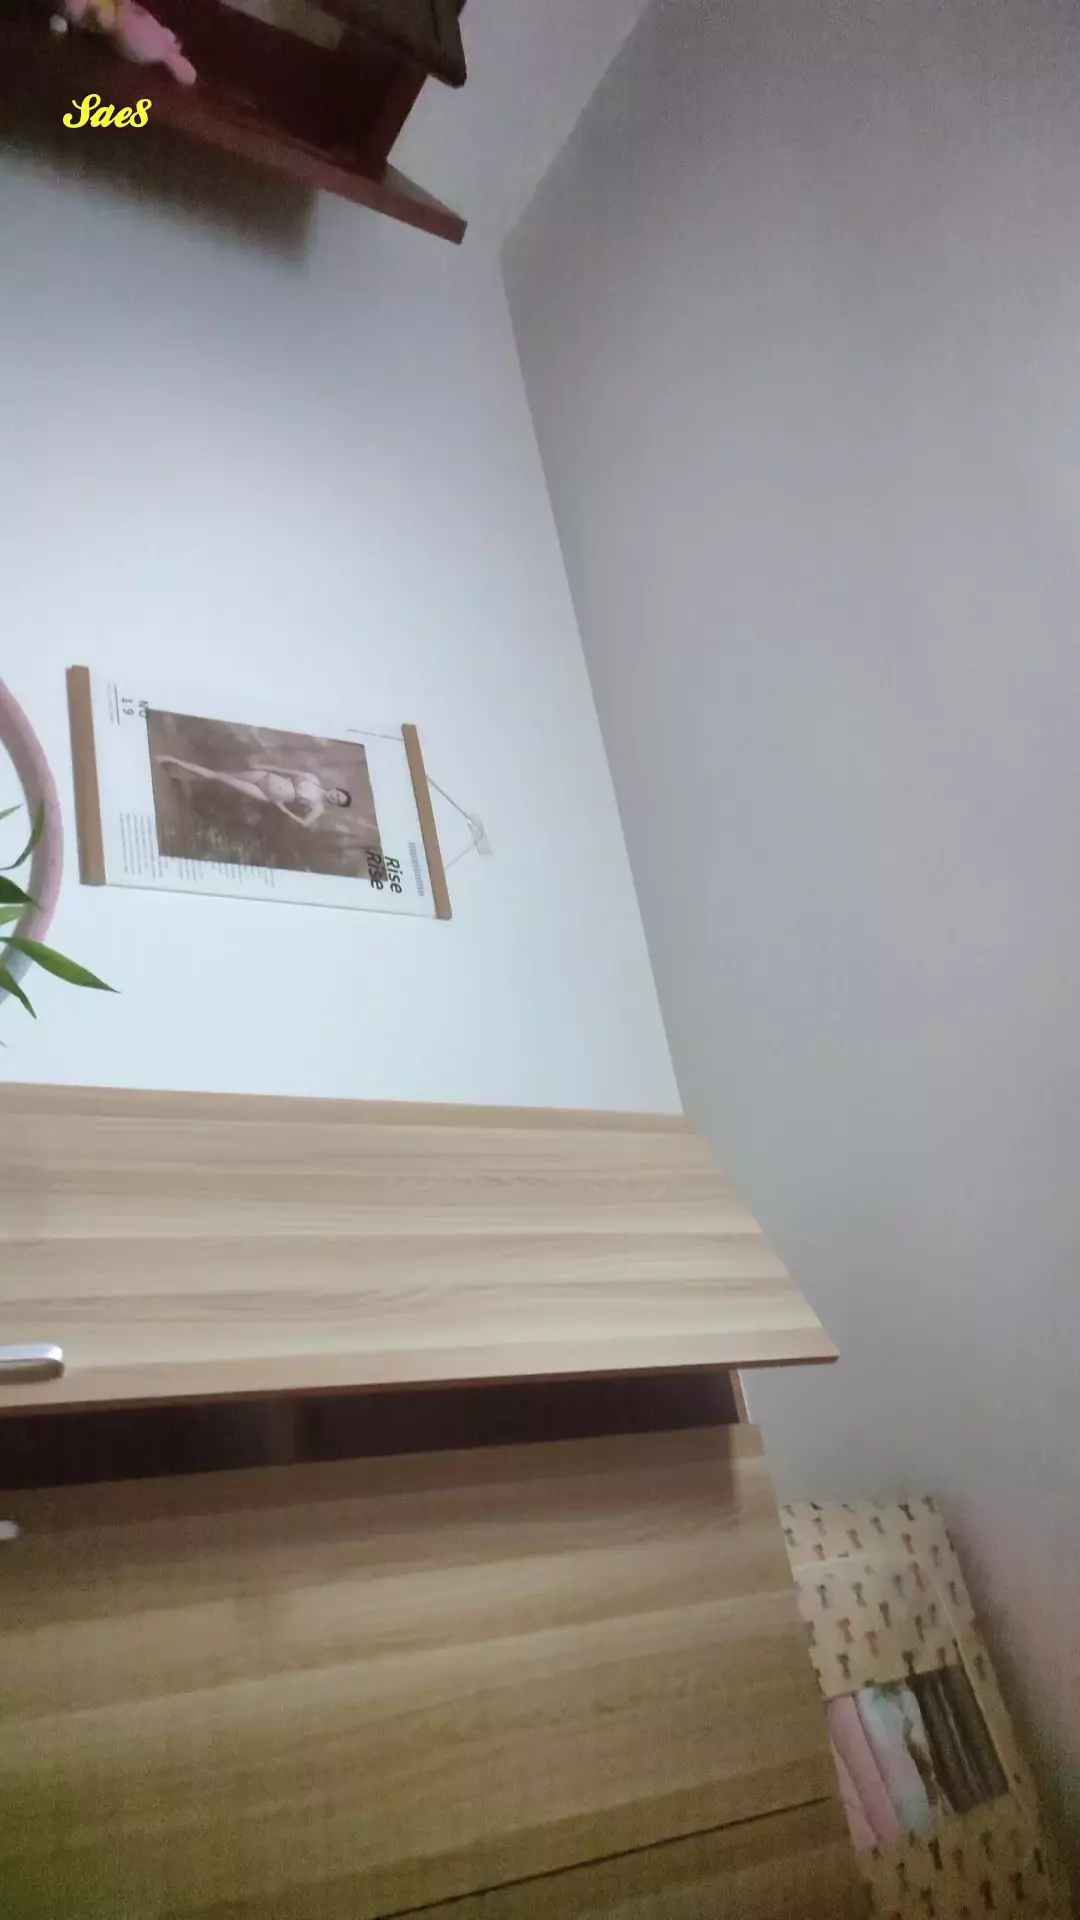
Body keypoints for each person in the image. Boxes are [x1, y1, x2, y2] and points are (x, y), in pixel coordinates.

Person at [157, 756, 351, 830]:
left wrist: (284, 810)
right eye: (338, 795)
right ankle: (177, 768)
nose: (335, 797)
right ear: (336, 789)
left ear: (335, 804)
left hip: (265, 794)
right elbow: (285, 770)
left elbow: (305, 824)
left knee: (221, 777)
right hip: (265, 776)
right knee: (221, 775)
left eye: (338, 801)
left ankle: (175, 766)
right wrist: (263, 765)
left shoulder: (317, 807)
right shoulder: (313, 778)